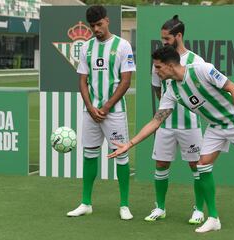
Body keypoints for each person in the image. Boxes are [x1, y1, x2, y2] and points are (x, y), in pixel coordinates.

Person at [108, 46, 234, 234]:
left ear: (170, 65)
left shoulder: (201, 69)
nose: (156, 72)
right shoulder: (172, 90)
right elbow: (156, 121)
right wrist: (129, 144)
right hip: (216, 126)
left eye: (158, 67)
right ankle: (213, 218)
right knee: (203, 165)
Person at [67, 5, 136, 220]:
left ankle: (124, 205)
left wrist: (106, 107)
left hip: (114, 113)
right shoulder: (86, 48)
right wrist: (90, 107)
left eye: (99, 24)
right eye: (92, 26)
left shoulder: (123, 46)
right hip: (91, 112)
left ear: (107, 21)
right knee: (89, 155)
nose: (96, 29)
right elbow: (82, 80)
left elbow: (126, 81)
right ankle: (86, 202)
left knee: (121, 156)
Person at [144, 15, 205, 224]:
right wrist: (166, 103)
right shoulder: (159, 60)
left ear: (178, 36)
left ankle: (199, 210)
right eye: (162, 39)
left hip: (191, 126)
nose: (164, 42)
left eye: (167, 38)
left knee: (197, 167)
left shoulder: (196, 61)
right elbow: (155, 86)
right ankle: (159, 208)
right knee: (161, 165)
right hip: (166, 125)